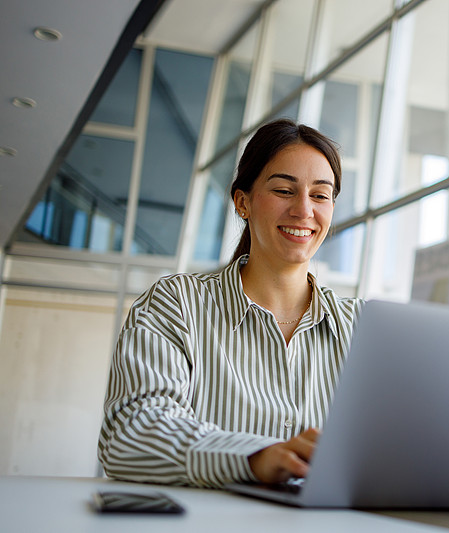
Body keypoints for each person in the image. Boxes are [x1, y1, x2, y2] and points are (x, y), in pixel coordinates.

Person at [97, 119, 363, 488]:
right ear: (243, 202)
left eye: (320, 195)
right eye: (285, 190)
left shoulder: (362, 327)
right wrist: (253, 458)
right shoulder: (177, 305)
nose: (304, 210)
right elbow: (130, 434)